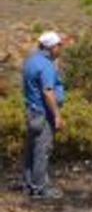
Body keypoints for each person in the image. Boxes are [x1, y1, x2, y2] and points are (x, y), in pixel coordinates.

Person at [21, 31, 66, 199]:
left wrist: (55, 63)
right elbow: (48, 91)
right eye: (59, 45)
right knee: (42, 150)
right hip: (43, 113)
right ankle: (40, 188)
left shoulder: (31, 61)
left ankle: (28, 184)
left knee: (31, 149)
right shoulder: (45, 66)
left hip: (31, 111)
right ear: (51, 47)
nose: (61, 48)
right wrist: (57, 115)